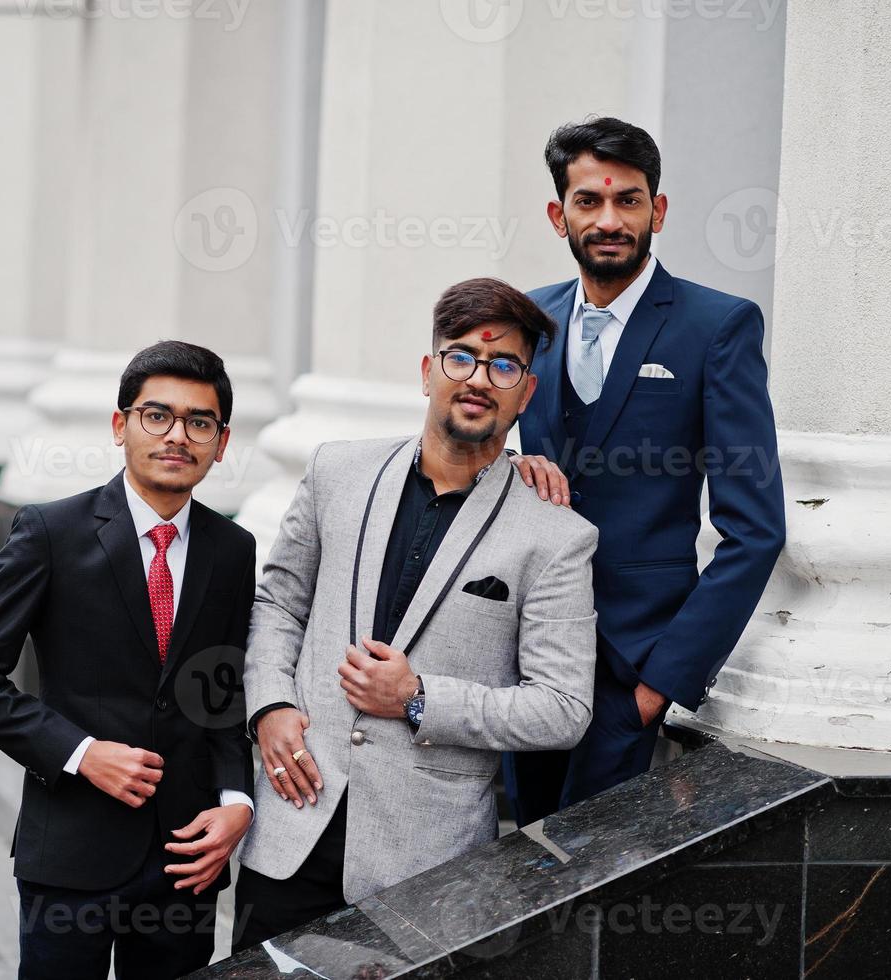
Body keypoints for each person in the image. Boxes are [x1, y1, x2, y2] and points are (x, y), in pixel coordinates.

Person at [233, 278, 598, 949]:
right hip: (292, 828)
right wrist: (270, 707)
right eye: (460, 357)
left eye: (503, 365)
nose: (478, 379)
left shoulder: (555, 534)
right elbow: (278, 604)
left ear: (526, 392)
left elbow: (563, 709)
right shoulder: (335, 472)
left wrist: (419, 697)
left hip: (425, 864)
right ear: (428, 371)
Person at [0, 341, 257, 979]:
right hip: (72, 852)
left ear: (221, 443)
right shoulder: (50, 533)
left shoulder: (233, 548)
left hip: (185, 855)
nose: (178, 436)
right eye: (156, 415)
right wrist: (84, 754)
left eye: (200, 422)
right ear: (121, 426)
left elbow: (219, 692)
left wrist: (237, 802)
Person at [505, 116, 787, 823]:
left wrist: (661, 684)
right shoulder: (525, 321)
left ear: (656, 210)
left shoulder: (715, 326)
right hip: (524, 657)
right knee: (509, 870)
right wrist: (512, 469)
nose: (608, 219)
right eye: (588, 202)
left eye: (627, 200)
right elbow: (469, 452)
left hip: (632, 665)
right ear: (556, 214)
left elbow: (754, 529)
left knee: (597, 890)